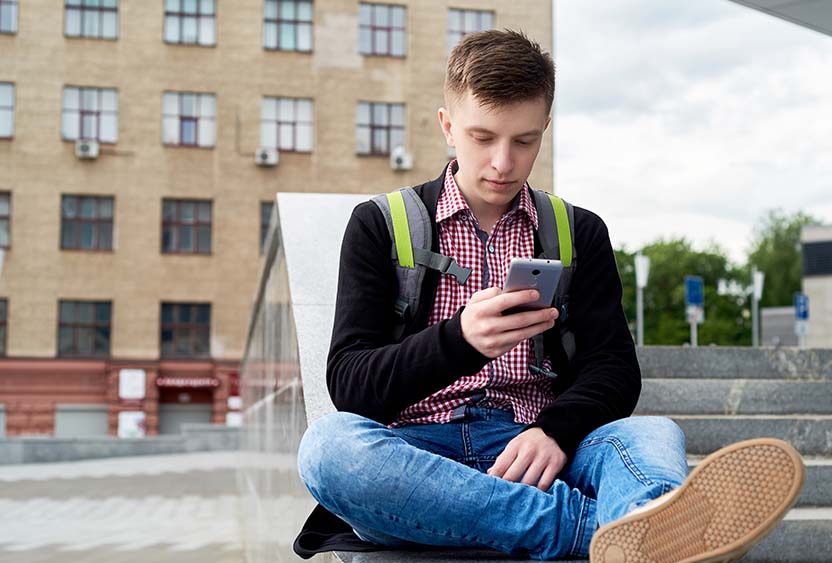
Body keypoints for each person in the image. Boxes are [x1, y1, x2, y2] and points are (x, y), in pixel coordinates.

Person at [294, 29, 804, 562]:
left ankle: (642, 521)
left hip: (538, 444)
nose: (503, 163)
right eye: (482, 137)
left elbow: (613, 368)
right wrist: (461, 340)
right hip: (419, 460)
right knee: (331, 450)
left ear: (545, 130)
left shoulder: (577, 231)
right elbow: (351, 384)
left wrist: (554, 432)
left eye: (524, 140)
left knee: (652, 432)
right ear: (447, 127)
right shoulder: (381, 224)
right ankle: (620, 532)